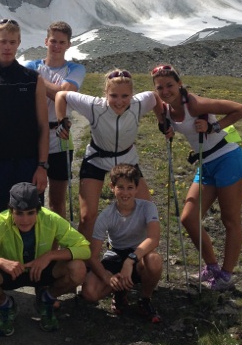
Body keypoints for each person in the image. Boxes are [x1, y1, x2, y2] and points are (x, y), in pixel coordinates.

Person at [151, 64, 242, 291]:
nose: (165, 91)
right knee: (188, 217)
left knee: (230, 219)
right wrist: (163, 127)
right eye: (160, 87)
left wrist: (213, 126)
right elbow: (161, 117)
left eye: (170, 85)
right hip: (205, 163)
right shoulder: (164, 108)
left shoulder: (194, 104)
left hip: (228, 158)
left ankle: (226, 275)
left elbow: (241, 109)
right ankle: (212, 268)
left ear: (179, 84)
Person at [0, 182, 90, 335]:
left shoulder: (51, 219)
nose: (25, 219)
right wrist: (0, 262)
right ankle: (6, 305)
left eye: (30, 213)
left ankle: (47, 299)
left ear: (39, 210)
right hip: (10, 273)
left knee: (78, 268)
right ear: (11, 211)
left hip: (40, 271)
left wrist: (49, 256)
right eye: (19, 213)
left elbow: (84, 248)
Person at [55, 69, 163, 242]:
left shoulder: (139, 103)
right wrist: (61, 120)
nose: (119, 102)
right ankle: (84, 261)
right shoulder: (94, 105)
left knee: (146, 209)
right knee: (87, 216)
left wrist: (162, 121)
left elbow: (155, 97)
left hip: (127, 161)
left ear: (132, 95)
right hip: (97, 159)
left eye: (125, 96)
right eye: (113, 96)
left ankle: (140, 257)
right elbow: (61, 95)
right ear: (105, 93)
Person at [0, 18, 49, 221]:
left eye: (12, 42)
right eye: (3, 41)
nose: (7, 47)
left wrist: (42, 166)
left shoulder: (33, 79)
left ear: (19, 43)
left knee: (32, 223)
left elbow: (43, 126)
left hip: (28, 164)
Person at [82, 164, 163, 322]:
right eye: (120, 187)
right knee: (89, 292)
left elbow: (153, 238)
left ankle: (145, 299)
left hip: (138, 255)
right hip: (116, 254)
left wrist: (130, 260)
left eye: (130, 187)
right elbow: (93, 256)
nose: (125, 193)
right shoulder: (105, 216)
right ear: (112, 187)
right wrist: (107, 278)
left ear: (137, 188)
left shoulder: (148, 207)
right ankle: (119, 291)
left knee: (154, 260)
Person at [24, 21, 86, 218]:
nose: (56, 46)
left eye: (61, 42)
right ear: (46, 41)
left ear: (68, 44)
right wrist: (55, 89)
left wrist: (37, 80)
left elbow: (64, 94)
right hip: (34, 136)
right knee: (34, 197)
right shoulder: (32, 66)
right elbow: (59, 91)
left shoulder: (75, 69)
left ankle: (54, 246)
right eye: (53, 41)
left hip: (61, 138)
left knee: (58, 200)